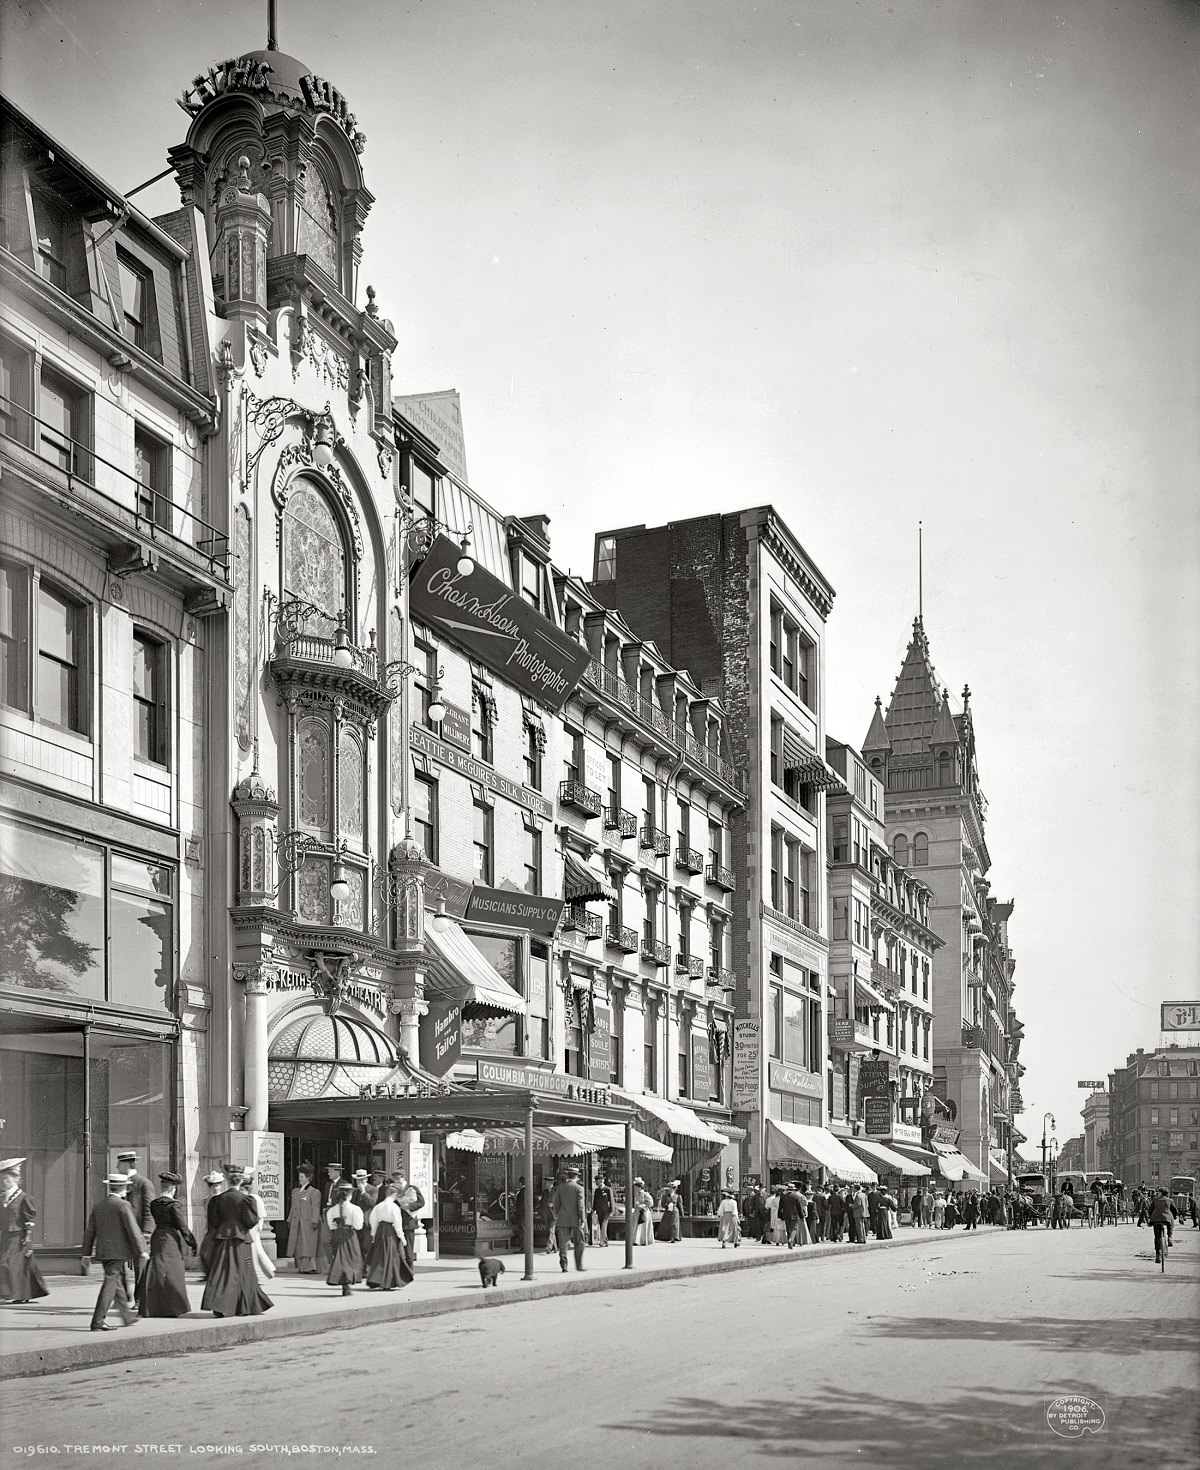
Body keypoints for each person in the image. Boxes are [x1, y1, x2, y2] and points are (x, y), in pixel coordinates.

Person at [201, 1163, 273, 1317]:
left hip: (223, 1239)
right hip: (241, 1239)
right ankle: (245, 1306)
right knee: (245, 1273)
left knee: (223, 1272)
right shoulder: (246, 1199)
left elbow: (213, 1221)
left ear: (227, 1181)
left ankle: (220, 1305)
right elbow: (251, 1221)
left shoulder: (218, 1199)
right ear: (240, 1181)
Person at [81, 1172, 148, 1331]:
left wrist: (86, 1253)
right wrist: (142, 1250)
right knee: (110, 1284)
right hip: (118, 1252)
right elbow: (133, 1230)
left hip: (104, 1252)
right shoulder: (123, 1205)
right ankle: (98, 1321)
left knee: (116, 1283)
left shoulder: (99, 1206)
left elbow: (90, 1231)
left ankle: (126, 1316)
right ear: (123, 1188)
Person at [137, 1171, 196, 1318]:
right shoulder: (174, 1205)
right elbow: (182, 1226)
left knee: (156, 1270)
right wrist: (192, 1243)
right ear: (173, 1188)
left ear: (163, 1186)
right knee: (172, 1272)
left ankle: (151, 1305)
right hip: (170, 1239)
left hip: (158, 1236)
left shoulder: (154, 1204)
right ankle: (172, 1306)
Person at [0, 1158, 48, 1303]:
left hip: (19, 1236)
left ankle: (8, 1294)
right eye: (2, 1180)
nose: (3, 1183)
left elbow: (29, 1219)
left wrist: (27, 1238)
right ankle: (21, 1295)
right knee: (20, 1266)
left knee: (6, 1263)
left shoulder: (24, 1198)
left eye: (7, 1180)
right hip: (5, 1236)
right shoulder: (3, 1197)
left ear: (15, 1179)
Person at [364, 1182, 413, 1290]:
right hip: (390, 1232)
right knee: (391, 1256)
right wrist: (402, 1238)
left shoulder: (378, 1206)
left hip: (380, 1231)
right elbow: (397, 1223)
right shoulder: (394, 1207)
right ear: (394, 1194)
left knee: (380, 1256)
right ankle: (388, 1282)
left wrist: (373, 1235)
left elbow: (373, 1221)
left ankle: (377, 1280)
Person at [118, 1151, 154, 1295]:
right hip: (121, 1231)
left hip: (138, 1231)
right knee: (119, 1265)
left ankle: (140, 1298)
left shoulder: (143, 1183)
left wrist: (147, 1231)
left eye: (119, 1164)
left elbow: (148, 1209)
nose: (117, 1166)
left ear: (127, 1164)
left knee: (140, 1265)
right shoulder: (118, 1183)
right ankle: (122, 1296)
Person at [325, 1181, 364, 1296]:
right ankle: (347, 1283)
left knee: (339, 1259)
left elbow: (331, 1226)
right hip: (349, 1235)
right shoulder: (355, 1209)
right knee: (351, 1259)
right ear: (350, 1195)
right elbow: (358, 1226)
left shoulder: (332, 1210)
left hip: (337, 1234)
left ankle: (344, 1284)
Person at [549, 1164, 588, 1272]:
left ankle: (564, 1266)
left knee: (563, 1243)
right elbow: (580, 1206)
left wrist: (558, 1215)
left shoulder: (560, 1188)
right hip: (576, 1220)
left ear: (567, 1176)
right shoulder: (579, 1188)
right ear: (576, 1176)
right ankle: (579, 1265)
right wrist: (582, 1219)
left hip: (563, 1220)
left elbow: (556, 1204)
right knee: (579, 1242)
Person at [241, 1169, 277, 1284]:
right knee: (255, 1250)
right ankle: (267, 1270)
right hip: (249, 1227)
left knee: (256, 1250)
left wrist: (259, 1226)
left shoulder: (255, 1198)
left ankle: (265, 1271)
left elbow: (261, 1215)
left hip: (252, 1227)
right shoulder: (248, 1198)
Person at [286, 1163, 322, 1273]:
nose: (299, 1179)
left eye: (302, 1177)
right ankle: (301, 1266)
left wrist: (315, 1220)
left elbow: (316, 1208)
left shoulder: (314, 1192)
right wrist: (289, 1219)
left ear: (308, 1178)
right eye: (299, 1177)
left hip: (308, 1222)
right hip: (297, 1222)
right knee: (298, 1244)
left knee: (308, 1243)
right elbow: (293, 1207)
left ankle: (310, 1267)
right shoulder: (295, 1191)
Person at [391, 1173, 425, 1270]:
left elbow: (421, 1202)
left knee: (408, 1249)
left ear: (403, 1177)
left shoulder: (412, 1188)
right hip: (397, 1222)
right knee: (396, 1248)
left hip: (409, 1222)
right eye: (394, 1179)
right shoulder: (393, 1189)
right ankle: (399, 1270)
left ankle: (409, 1270)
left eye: (398, 1178)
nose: (396, 1181)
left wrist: (409, 1206)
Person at [316, 1161, 344, 1273]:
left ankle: (338, 1265)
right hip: (327, 1213)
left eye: (331, 1171)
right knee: (325, 1240)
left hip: (337, 1214)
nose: (329, 1173)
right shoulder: (328, 1185)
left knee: (337, 1240)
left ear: (337, 1172)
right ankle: (331, 1263)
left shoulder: (343, 1184)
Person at [198, 1170, 225, 1277]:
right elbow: (206, 1215)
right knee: (205, 1252)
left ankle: (215, 1273)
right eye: (213, 1186)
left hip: (219, 1228)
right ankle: (209, 1273)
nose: (215, 1188)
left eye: (217, 1185)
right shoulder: (207, 1199)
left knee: (215, 1251)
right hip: (210, 1228)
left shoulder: (223, 1198)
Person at [1147, 1188, 1177, 1263]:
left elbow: (1150, 1210)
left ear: (1161, 1193)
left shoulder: (1155, 1200)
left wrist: (1150, 1217)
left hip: (1156, 1219)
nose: (1157, 1193)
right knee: (1171, 1222)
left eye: (1158, 1192)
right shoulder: (1170, 1200)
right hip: (1166, 1219)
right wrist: (1174, 1217)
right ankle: (1170, 1237)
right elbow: (1175, 1211)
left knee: (1157, 1237)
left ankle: (1158, 1256)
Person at [779, 1181, 807, 1249]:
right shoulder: (796, 1197)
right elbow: (799, 1207)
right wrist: (802, 1216)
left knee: (788, 1229)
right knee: (794, 1229)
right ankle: (790, 1240)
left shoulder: (783, 1197)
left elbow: (780, 1208)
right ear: (793, 1189)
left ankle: (790, 1243)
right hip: (795, 1215)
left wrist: (780, 1216)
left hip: (786, 1215)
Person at [592, 1175, 613, 1246]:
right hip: (599, 1211)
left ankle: (602, 1242)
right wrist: (593, 1209)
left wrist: (611, 1210)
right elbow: (595, 1201)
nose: (598, 1183)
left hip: (606, 1211)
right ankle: (605, 1241)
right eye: (597, 1182)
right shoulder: (597, 1191)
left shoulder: (608, 1189)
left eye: (599, 1181)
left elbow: (611, 1200)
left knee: (603, 1225)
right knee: (601, 1225)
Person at [632, 1178, 655, 1246]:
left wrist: (643, 1205)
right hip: (637, 1212)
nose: (635, 1188)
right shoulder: (637, 1194)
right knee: (637, 1226)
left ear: (639, 1187)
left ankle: (643, 1240)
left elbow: (651, 1203)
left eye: (636, 1186)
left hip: (643, 1212)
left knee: (643, 1226)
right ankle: (636, 1240)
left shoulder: (644, 1193)